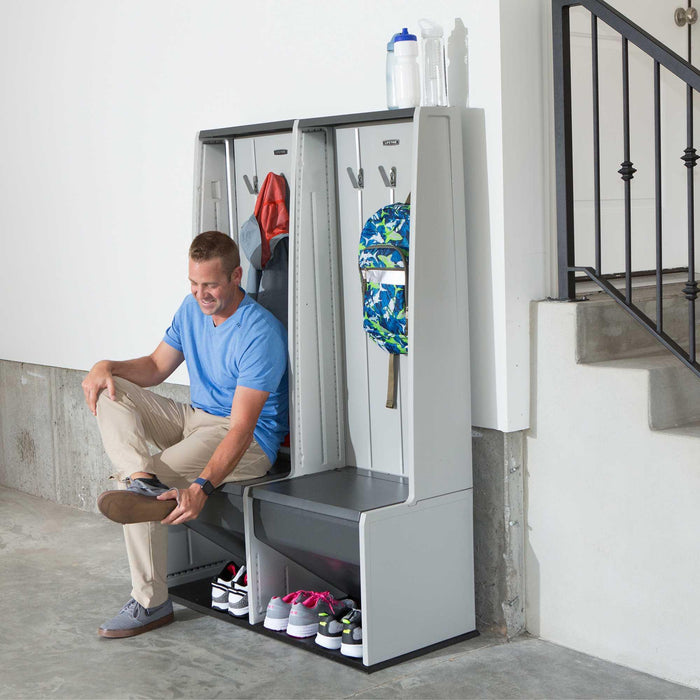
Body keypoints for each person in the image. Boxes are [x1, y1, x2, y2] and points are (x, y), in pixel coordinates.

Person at [82, 231, 288, 638]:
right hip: (195, 418)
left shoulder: (259, 333)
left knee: (144, 487)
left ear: (235, 275)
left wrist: (201, 487)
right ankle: (140, 480)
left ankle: (151, 602)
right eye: (194, 284)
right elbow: (156, 367)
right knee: (113, 390)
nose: (201, 294)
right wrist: (106, 365)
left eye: (210, 285)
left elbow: (243, 428)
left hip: (245, 440)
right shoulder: (191, 310)